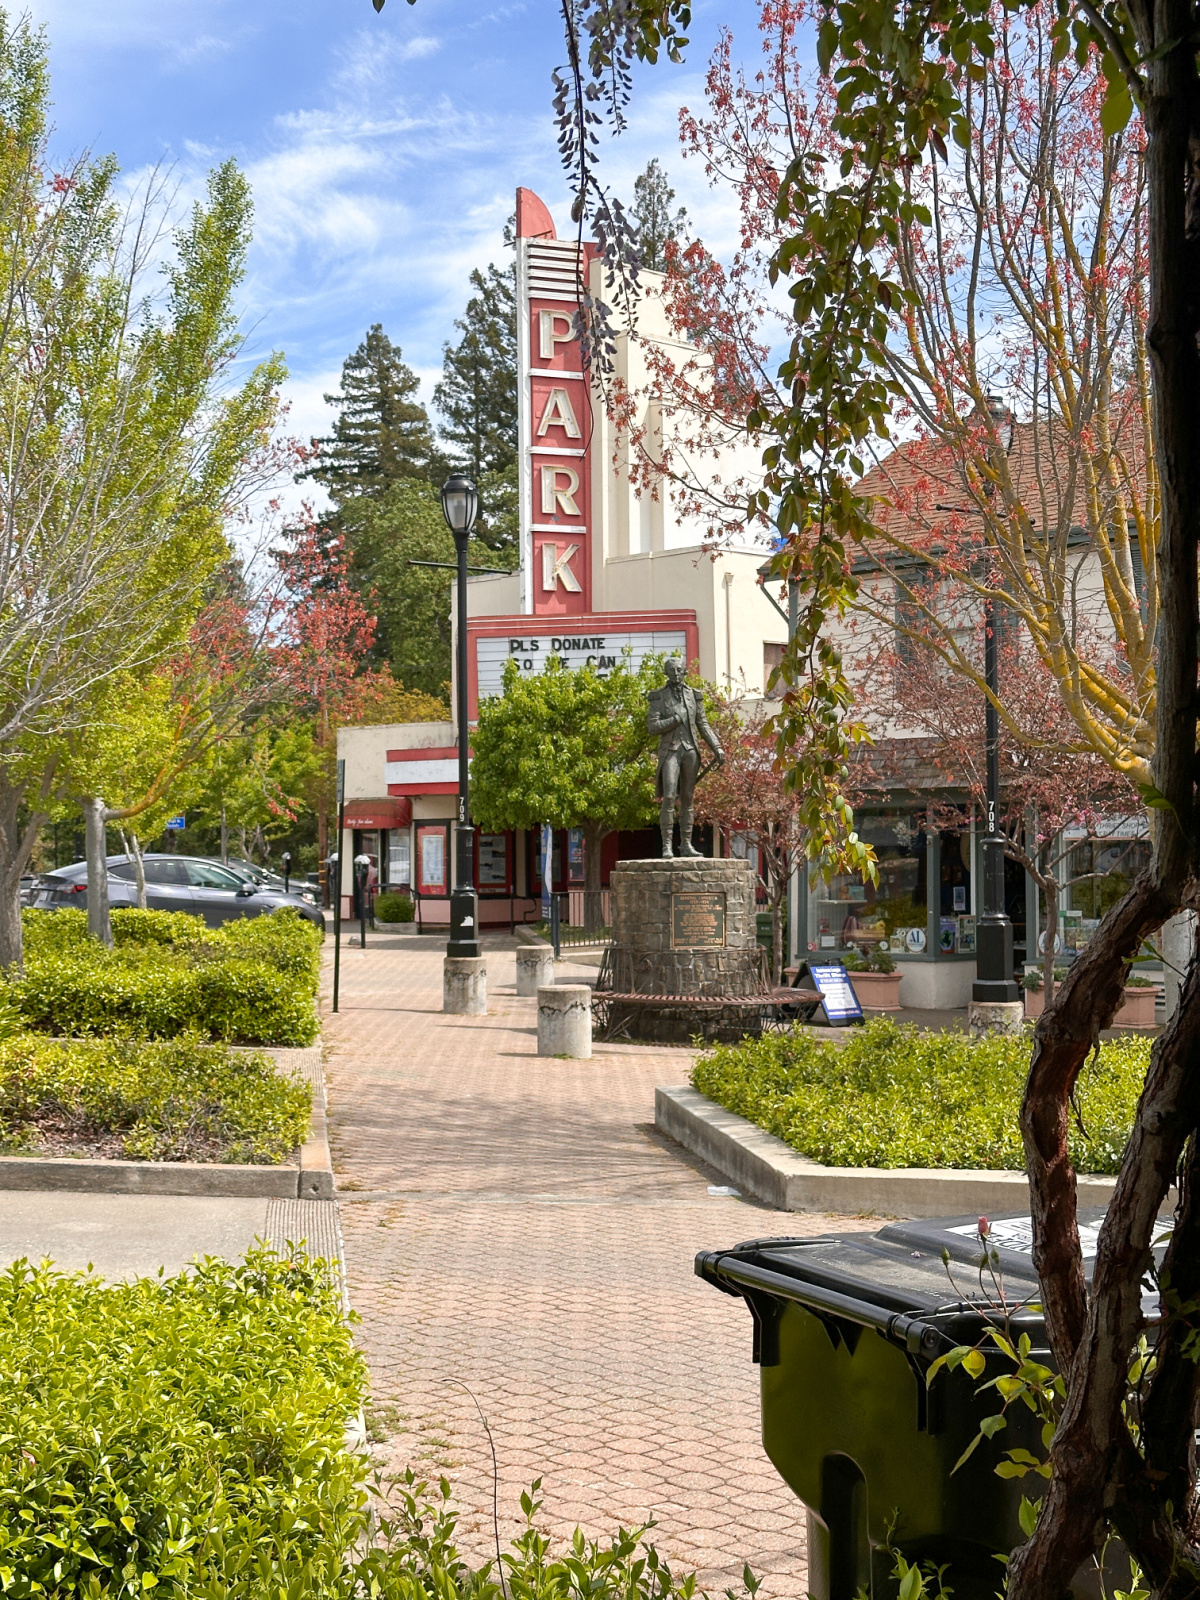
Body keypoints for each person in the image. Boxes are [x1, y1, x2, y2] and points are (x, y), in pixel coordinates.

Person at [647, 657, 724, 857]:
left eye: (679, 670)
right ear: (667, 673)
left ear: (685, 672)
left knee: (688, 798)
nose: (676, 674)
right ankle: (666, 846)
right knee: (670, 796)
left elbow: (703, 724)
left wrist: (716, 747)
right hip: (670, 751)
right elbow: (653, 727)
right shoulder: (658, 697)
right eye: (672, 671)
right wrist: (674, 719)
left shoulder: (693, 696)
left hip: (690, 750)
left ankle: (686, 845)